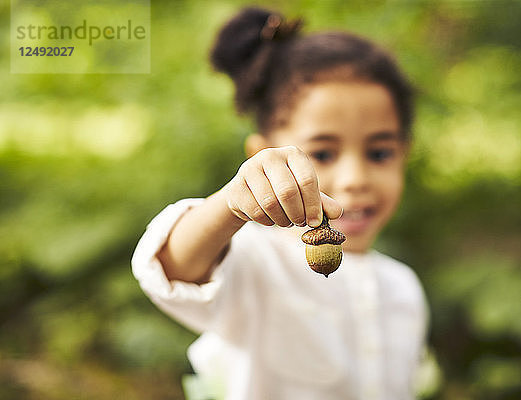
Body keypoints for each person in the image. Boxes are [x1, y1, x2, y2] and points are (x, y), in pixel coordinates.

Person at [132, 6, 428, 400]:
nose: (356, 179)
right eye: (322, 154)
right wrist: (229, 205)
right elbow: (174, 268)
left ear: (404, 154)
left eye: (379, 153)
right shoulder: (253, 262)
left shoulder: (403, 288)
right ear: (263, 154)